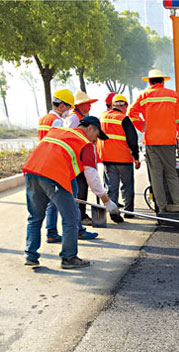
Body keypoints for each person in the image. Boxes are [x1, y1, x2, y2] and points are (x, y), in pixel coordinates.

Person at [23, 116, 121, 269]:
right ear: (90, 128)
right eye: (97, 135)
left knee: (35, 217)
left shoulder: (58, 131)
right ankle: (69, 258)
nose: (96, 140)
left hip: (32, 172)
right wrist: (106, 201)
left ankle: (30, 256)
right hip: (54, 177)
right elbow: (92, 176)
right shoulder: (85, 143)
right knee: (71, 219)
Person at [128, 69, 179, 213]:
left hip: (152, 141)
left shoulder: (145, 95)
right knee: (171, 174)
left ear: (149, 82)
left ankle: (162, 208)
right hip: (169, 141)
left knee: (156, 176)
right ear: (163, 81)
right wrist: (178, 132)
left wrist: (142, 127)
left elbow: (131, 113)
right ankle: (178, 204)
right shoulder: (173, 95)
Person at [37, 89, 73, 244]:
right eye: (69, 108)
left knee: (45, 203)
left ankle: (50, 231)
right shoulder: (57, 121)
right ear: (63, 106)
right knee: (53, 201)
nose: (69, 111)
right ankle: (51, 232)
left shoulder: (43, 118)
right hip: (52, 163)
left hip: (41, 161)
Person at [97, 94, 140, 220]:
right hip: (123, 159)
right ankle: (128, 212)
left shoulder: (102, 117)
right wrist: (136, 157)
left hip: (107, 159)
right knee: (127, 186)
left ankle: (114, 212)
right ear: (125, 106)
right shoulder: (124, 119)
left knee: (111, 187)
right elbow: (133, 139)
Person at [65, 91, 99, 232]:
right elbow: (69, 136)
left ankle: (81, 214)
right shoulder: (74, 118)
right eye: (87, 104)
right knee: (81, 187)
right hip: (77, 159)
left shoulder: (82, 117)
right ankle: (81, 216)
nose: (90, 106)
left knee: (83, 187)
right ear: (80, 105)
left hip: (81, 157)